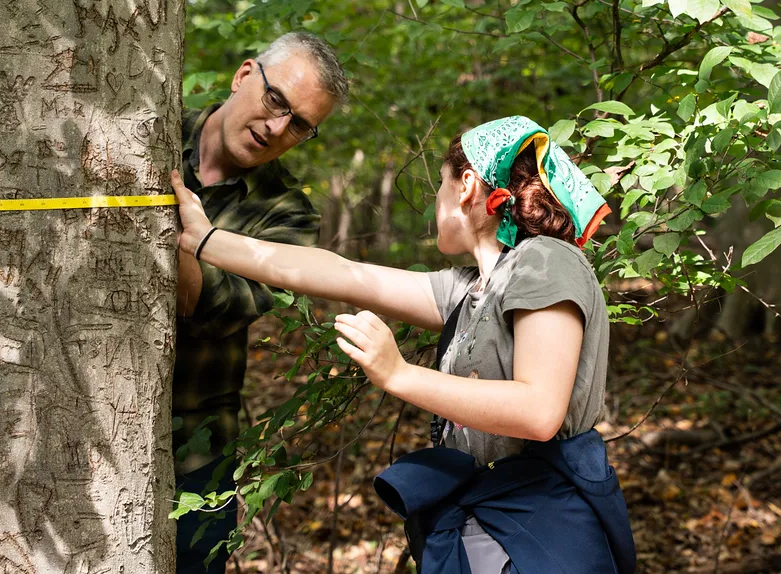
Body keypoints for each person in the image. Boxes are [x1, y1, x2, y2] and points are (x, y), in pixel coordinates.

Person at [170, 116, 636, 573]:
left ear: (468, 185)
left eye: (441, 183)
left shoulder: (546, 260)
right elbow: (345, 273)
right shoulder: (472, 287)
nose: (437, 196)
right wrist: (206, 240)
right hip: (494, 525)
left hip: (543, 531)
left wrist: (399, 374)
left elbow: (539, 410)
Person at [172, 31, 348, 574]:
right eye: (277, 101)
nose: (277, 129)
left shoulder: (290, 215)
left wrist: (179, 231)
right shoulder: (148, 132)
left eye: (299, 124)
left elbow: (212, 310)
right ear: (244, 75)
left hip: (193, 443)